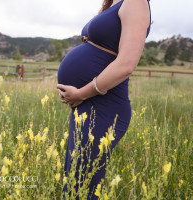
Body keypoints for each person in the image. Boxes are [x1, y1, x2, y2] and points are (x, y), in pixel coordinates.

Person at [57, 0, 151, 199]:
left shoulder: (136, 2)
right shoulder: (114, 3)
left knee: (83, 187)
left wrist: (81, 93)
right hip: (90, 104)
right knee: (75, 181)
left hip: (105, 107)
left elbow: (126, 64)